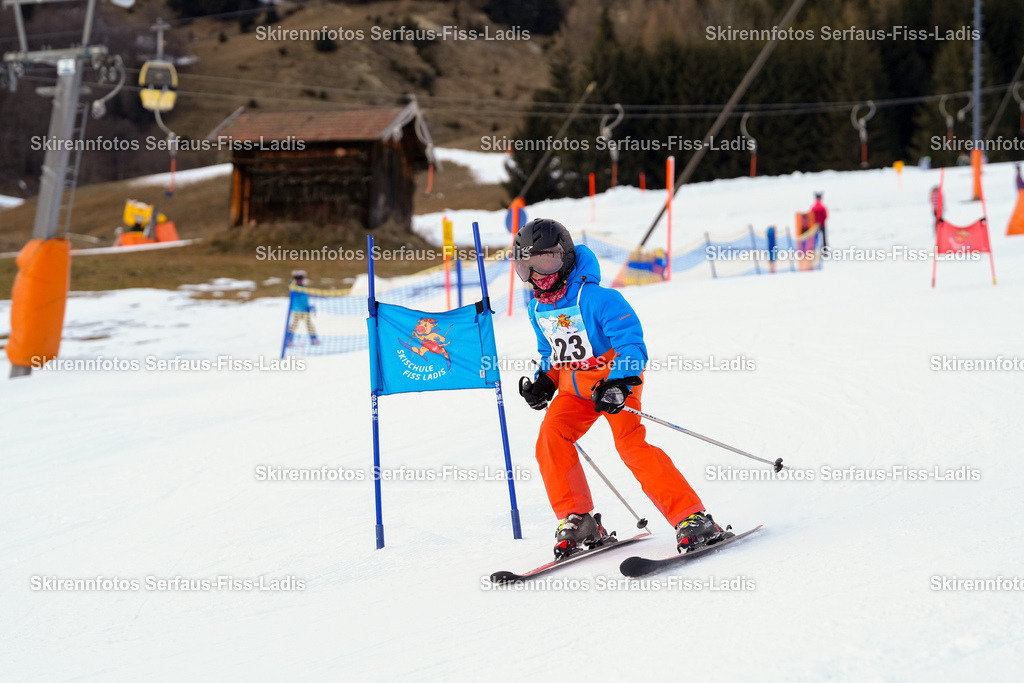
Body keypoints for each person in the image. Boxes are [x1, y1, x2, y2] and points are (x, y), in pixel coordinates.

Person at [513, 218, 725, 559]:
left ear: (565, 258)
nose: (540, 275)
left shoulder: (600, 299)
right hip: (574, 389)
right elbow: (550, 354)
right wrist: (543, 381)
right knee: (551, 436)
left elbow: (633, 348)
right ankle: (578, 518)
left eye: (547, 261)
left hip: (613, 381)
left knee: (629, 445)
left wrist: (619, 383)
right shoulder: (537, 308)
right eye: (528, 267)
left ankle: (691, 517)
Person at [285, 270, 319, 346]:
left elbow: (305, 297)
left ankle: (313, 339)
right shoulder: (294, 287)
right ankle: (289, 340)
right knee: (295, 325)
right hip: (299, 310)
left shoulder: (301, 287)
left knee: (308, 325)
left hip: (303, 309)